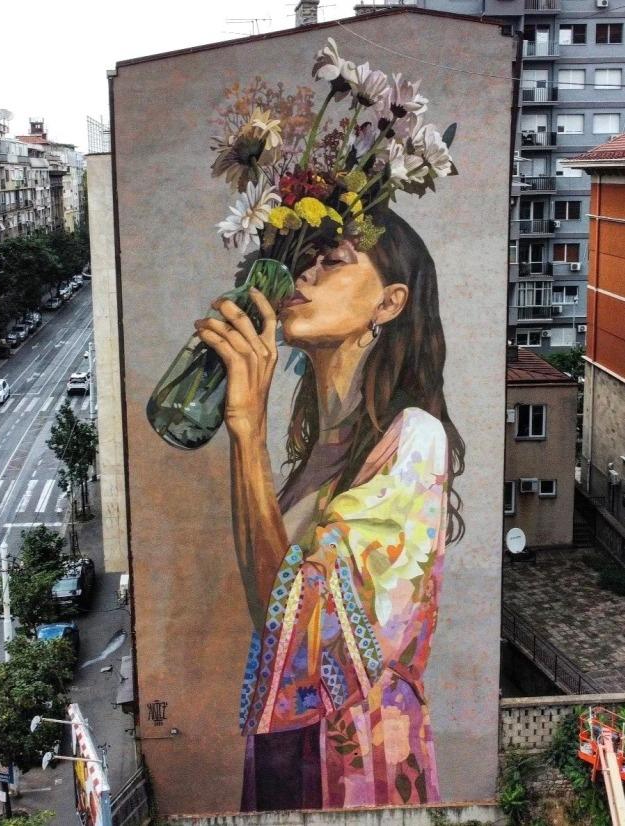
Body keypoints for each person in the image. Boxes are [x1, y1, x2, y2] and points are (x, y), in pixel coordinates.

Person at [195, 209, 465, 811]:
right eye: (304, 260)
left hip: (357, 761)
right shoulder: (316, 457)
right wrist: (246, 434)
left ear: (389, 304)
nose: (306, 274)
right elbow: (272, 614)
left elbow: (304, 637)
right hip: (284, 753)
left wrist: (247, 431)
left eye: (333, 260)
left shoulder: (414, 439)